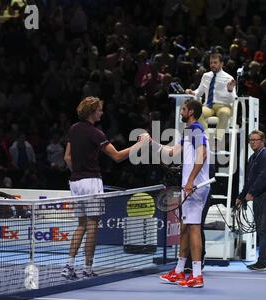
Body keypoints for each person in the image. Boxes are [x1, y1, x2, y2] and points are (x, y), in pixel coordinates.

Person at [61, 96, 147, 280]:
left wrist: (78, 172)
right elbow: (117, 157)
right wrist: (140, 144)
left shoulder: (73, 129)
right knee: (92, 225)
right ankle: (87, 268)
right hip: (91, 182)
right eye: (99, 109)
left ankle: (68, 266)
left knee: (82, 225)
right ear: (92, 112)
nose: (101, 112)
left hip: (75, 182)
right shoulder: (96, 133)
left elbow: (67, 158)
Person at [153, 99, 210, 288]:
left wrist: (191, 180)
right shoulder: (188, 131)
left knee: (193, 228)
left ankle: (197, 275)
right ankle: (178, 272)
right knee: (185, 228)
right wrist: (151, 143)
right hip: (189, 185)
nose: (181, 111)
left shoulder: (196, 129)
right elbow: (171, 152)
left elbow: (202, 156)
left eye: (183, 109)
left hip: (195, 186)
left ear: (191, 111)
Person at [236, 130, 266, 271]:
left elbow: (263, 178)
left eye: (255, 139)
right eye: (251, 140)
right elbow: (250, 180)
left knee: (262, 228)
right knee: (262, 227)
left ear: (263, 141)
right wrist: (242, 196)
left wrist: (251, 194)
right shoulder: (253, 157)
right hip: (260, 196)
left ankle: (263, 262)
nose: (253, 142)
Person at [185, 52, 236, 148]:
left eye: (215, 62)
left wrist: (230, 90)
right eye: (211, 63)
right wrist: (192, 92)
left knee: (224, 113)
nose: (212, 65)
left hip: (223, 106)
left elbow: (233, 99)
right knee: (197, 112)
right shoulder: (206, 76)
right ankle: (206, 137)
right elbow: (199, 92)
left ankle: (217, 140)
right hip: (208, 106)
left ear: (221, 64)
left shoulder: (229, 78)